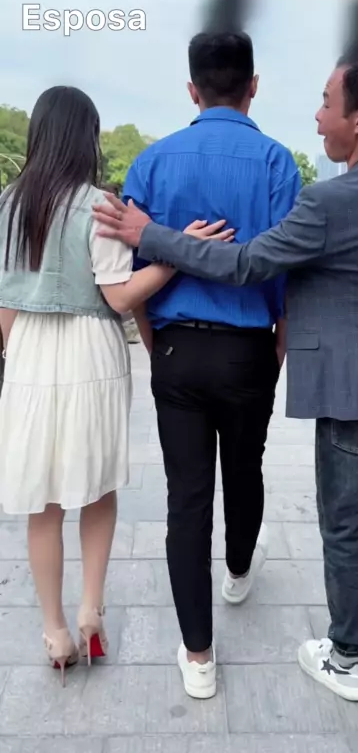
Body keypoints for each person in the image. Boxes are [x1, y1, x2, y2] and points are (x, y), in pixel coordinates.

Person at [93, 0, 358, 703]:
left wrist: (153, 252)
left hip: (237, 366)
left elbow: (232, 266)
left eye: (327, 103)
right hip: (344, 369)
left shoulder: (172, 167)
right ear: (253, 86)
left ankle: (273, 656)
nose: (318, 116)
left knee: (239, 506)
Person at [0, 85, 231, 685]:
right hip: (90, 352)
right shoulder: (99, 207)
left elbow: (4, 305)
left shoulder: (8, 205)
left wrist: (15, 358)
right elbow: (121, 297)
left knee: (42, 500)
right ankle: (91, 612)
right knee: (96, 489)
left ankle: (54, 631)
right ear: (88, 138)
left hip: (28, 352)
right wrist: (179, 253)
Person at [108, 0, 301, 700]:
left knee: (186, 497)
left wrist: (155, 342)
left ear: (192, 89)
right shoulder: (278, 163)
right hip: (249, 350)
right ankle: (240, 570)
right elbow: (288, 271)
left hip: (176, 352)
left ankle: (197, 655)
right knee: (244, 470)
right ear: (254, 86)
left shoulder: (152, 164)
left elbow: (133, 271)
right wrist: (276, 348)